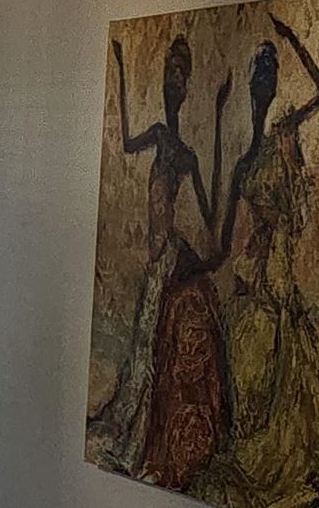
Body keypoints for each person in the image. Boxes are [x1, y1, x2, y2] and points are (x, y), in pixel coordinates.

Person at [198, 18, 319, 508]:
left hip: (279, 272)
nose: (263, 83)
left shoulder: (285, 133)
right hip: (255, 270)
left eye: (270, 74)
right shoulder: (245, 159)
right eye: (258, 75)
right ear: (249, 87)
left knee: (286, 371)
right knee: (248, 359)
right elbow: (224, 237)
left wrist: (294, 41)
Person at [89, 32, 227, 476]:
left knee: (151, 348)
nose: (173, 81)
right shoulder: (161, 136)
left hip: (170, 254)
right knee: (143, 346)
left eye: (179, 75)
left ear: (185, 89)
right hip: (159, 256)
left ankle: (147, 439)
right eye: (169, 72)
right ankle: (135, 429)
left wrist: (221, 119)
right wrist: (120, 70)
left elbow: (209, 212)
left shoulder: (184, 154)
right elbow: (127, 143)